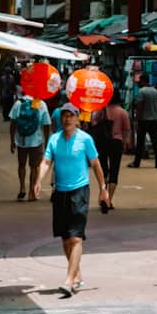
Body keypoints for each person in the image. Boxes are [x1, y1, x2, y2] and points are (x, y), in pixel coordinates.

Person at [35, 103, 106, 297]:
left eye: (71, 116)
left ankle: (69, 280)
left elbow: (96, 164)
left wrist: (103, 188)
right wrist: (38, 180)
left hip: (79, 192)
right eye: (64, 116)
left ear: (77, 118)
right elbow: (47, 161)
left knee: (76, 237)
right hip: (60, 193)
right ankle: (77, 275)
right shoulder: (54, 139)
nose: (67, 119)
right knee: (66, 239)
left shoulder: (85, 139)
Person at [9, 83, 51, 200]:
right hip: (36, 141)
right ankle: (32, 191)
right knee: (35, 166)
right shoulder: (41, 104)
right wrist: (46, 141)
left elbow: (13, 124)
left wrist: (12, 141)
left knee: (21, 165)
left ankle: (22, 187)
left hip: (21, 140)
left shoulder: (18, 103)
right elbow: (46, 124)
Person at [92, 95, 133, 212]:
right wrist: (125, 144)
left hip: (102, 142)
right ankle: (109, 199)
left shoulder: (101, 110)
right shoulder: (122, 112)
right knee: (114, 171)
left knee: (103, 170)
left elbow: (93, 123)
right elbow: (127, 130)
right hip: (116, 142)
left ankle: (103, 195)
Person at [132, 74, 157, 168]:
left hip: (143, 120)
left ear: (142, 81)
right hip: (153, 120)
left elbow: (140, 106)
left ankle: (137, 163)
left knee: (140, 142)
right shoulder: (155, 91)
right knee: (155, 142)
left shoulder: (142, 91)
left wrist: (137, 119)